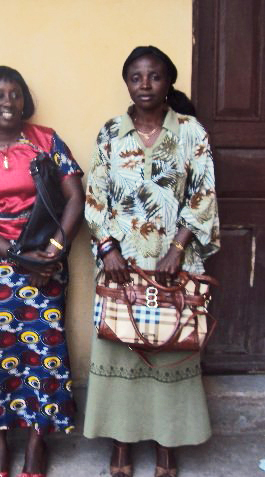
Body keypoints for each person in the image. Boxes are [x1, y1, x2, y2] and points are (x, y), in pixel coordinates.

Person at [84, 46, 220, 477]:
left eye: (155, 76)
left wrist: (177, 249)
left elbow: (203, 194)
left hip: (173, 263)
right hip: (121, 265)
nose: (145, 84)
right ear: (127, 82)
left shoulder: (191, 132)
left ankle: (167, 445)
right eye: (136, 77)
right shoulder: (111, 132)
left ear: (168, 82)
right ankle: (120, 444)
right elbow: (95, 197)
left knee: (170, 349)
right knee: (121, 348)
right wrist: (108, 249)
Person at [0, 66, 85, 477]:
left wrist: (54, 251)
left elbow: (75, 197)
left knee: (44, 352)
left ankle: (36, 440)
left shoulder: (47, 141)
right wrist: (16, 256)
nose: (7, 102)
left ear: (24, 100)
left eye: (14, 94)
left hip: (47, 259)